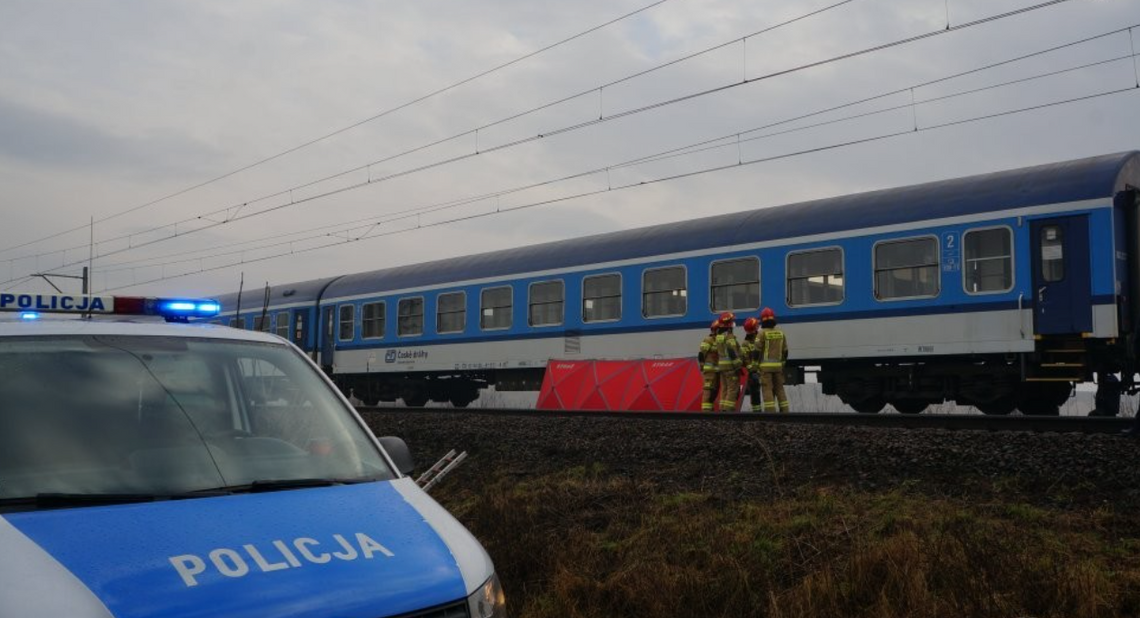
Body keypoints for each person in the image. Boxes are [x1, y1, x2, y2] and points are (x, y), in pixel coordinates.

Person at [758, 307, 790, 413]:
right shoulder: (781, 333)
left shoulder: (762, 333)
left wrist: (754, 364)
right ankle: (785, 411)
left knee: (767, 389)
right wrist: (782, 363)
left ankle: (770, 412)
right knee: (780, 389)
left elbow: (756, 350)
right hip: (778, 367)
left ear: (763, 320)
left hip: (765, 368)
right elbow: (785, 351)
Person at [715, 311, 744, 411]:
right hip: (730, 367)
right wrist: (738, 365)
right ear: (728, 323)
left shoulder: (719, 336)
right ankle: (728, 411)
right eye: (732, 322)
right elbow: (732, 351)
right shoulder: (729, 336)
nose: (733, 324)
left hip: (722, 367)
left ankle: (722, 408)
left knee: (725, 389)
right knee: (733, 389)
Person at [698, 319, 721, 412]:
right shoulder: (708, 340)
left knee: (715, 391)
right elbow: (701, 354)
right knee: (708, 390)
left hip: (717, 371)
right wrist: (702, 364)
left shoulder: (719, 340)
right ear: (716, 330)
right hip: (710, 371)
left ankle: (710, 408)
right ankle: (706, 411)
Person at [740, 317, 763, 412]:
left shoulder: (760, 339)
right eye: (757, 326)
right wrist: (752, 371)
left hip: (763, 370)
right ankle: (756, 412)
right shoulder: (745, 343)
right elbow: (745, 359)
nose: (759, 327)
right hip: (754, 373)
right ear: (754, 330)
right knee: (755, 392)